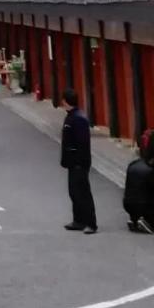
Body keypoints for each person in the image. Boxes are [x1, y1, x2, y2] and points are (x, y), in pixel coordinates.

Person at [59, 87, 96, 233]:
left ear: (66, 101)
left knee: (83, 192)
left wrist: (80, 161)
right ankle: (78, 220)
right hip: (72, 161)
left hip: (78, 162)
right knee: (74, 192)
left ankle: (91, 223)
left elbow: (83, 143)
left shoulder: (78, 119)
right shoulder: (72, 116)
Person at [123, 150, 154, 232]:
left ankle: (134, 219)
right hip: (143, 206)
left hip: (127, 204)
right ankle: (147, 221)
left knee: (138, 199)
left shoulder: (132, 165)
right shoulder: (150, 171)